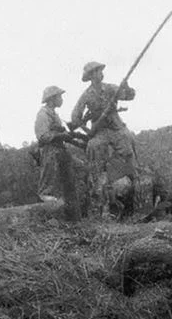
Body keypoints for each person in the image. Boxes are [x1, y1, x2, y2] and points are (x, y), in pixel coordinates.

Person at [70, 61, 137, 218]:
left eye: (101, 70)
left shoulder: (111, 88)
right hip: (100, 131)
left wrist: (125, 87)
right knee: (93, 148)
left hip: (116, 127)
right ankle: (100, 202)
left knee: (128, 142)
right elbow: (75, 117)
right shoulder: (87, 95)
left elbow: (130, 96)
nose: (101, 73)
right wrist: (87, 129)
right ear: (92, 75)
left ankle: (132, 190)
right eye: (98, 71)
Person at [34, 86, 86, 219]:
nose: (61, 99)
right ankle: (48, 212)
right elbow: (43, 137)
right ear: (52, 99)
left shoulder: (54, 114)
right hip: (50, 150)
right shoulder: (43, 114)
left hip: (60, 149)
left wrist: (78, 141)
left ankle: (74, 214)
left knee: (77, 173)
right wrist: (62, 136)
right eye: (59, 96)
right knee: (47, 187)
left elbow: (62, 135)